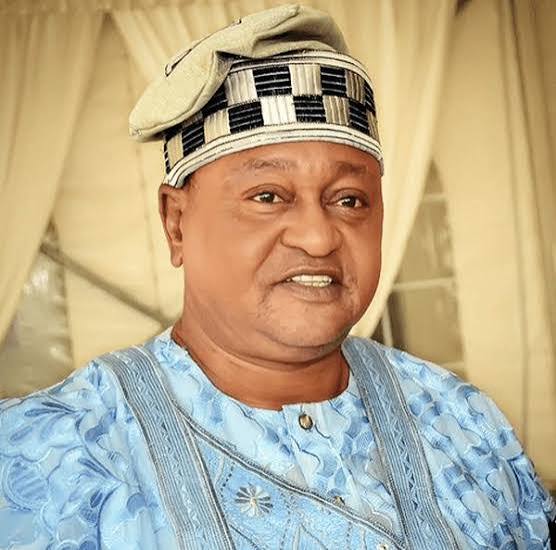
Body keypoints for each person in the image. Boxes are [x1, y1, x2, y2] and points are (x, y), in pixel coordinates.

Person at [0, 4, 554, 549]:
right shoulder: (58, 457)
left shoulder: (461, 420)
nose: (317, 237)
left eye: (349, 199)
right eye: (267, 196)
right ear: (176, 223)